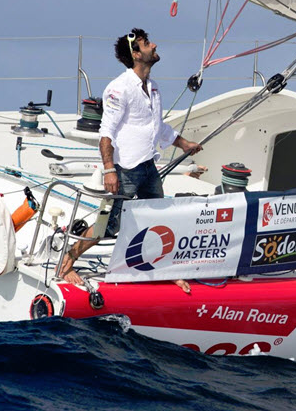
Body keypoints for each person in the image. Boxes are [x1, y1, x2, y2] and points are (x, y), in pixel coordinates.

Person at [58, 28, 200, 293]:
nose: (154, 45)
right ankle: (67, 262)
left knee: (157, 220)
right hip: (125, 170)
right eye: (148, 44)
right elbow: (106, 134)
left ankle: (159, 269)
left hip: (148, 166)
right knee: (109, 225)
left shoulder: (153, 87)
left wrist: (185, 144)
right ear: (136, 54)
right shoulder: (119, 88)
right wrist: (109, 170)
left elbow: (158, 126)